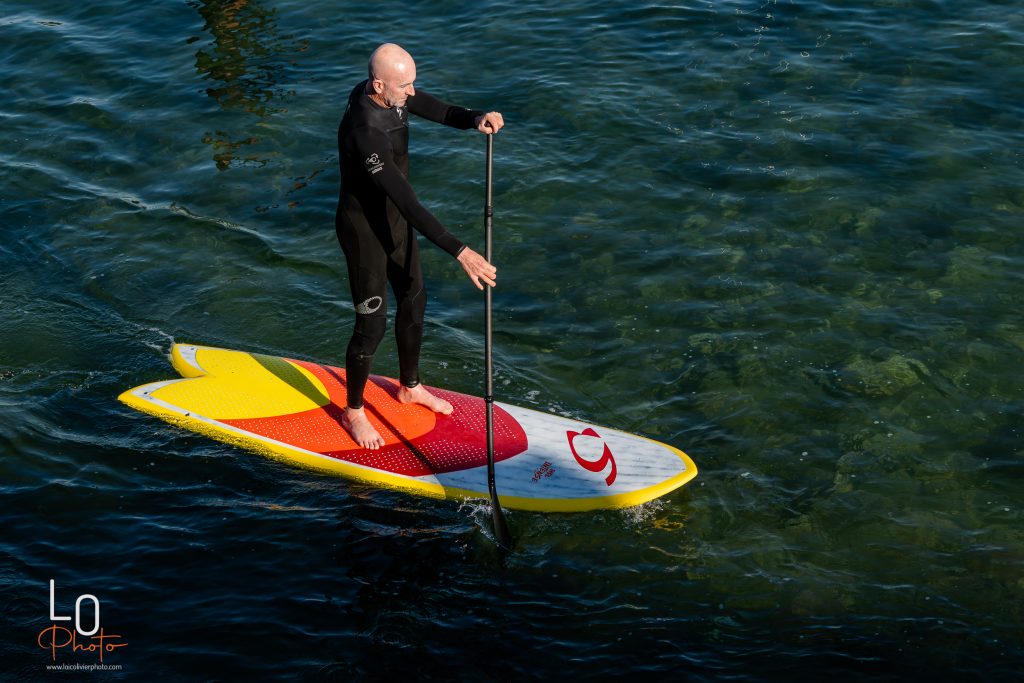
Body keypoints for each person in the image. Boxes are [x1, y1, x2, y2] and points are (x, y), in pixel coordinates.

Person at [335, 43, 504, 450]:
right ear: (378, 85)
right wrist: (461, 251)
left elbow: (439, 110)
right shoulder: (365, 132)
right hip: (364, 232)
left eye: (413, 83)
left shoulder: (391, 92)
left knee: (414, 300)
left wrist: (474, 118)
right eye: (405, 86)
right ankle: (353, 410)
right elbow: (408, 203)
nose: (412, 92)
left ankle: (409, 387)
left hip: (395, 221)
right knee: (372, 325)